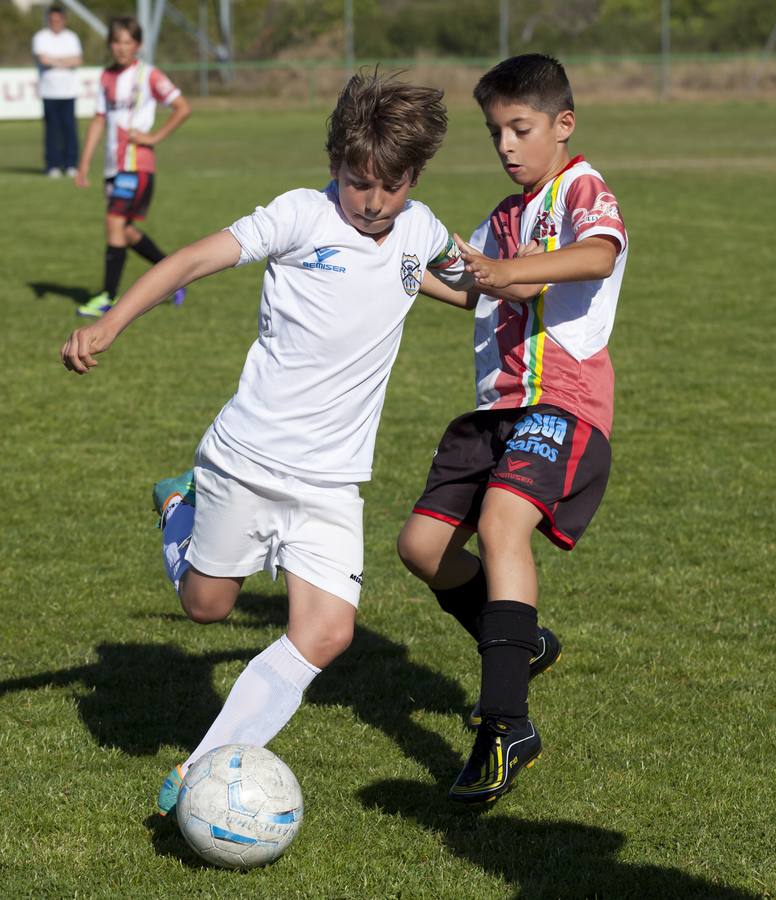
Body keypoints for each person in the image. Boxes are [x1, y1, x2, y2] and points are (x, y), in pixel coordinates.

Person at [61, 72, 473, 816]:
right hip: (246, 461)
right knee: (208, 608)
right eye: (357, 183)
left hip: (331, 483)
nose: (373, 201)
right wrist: (110, 323)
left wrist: (535, 283)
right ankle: (179, 505)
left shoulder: (420, 231)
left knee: (327, 632)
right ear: (335, 167)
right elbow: (188, 260)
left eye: (391, 186)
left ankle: (200, 770)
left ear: (416, 176)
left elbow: (466, 281)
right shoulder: (299, 216)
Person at [396, 53, 629, 804]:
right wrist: (398, 269)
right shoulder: (501, 216)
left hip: (561, 404)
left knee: (502, 527)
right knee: (422, 549)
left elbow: (597, 255)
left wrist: (508, 274)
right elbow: (475, 291)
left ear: (562, 125)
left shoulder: (580, 190)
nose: (505, 144)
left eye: (519, 129)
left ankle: (505, 725)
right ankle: (520, 643)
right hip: (493, 409)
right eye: (495, 131)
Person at [74, 16, 191, 318]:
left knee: (114, 223)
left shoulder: (148, 75)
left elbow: (182, 107)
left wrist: (153, 137)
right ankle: (174, 278)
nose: (121, 48)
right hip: (114, 166)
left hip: (136, 165)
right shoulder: (106, 78)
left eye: (128, 42)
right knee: (124, 231)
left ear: (137, 45)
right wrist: (85, 163)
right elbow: (100, 119)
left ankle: (106, 298)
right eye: (116, 42)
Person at [32, 4, 82, 177]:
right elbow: (43, 59)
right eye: (52, 20)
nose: (55, 23)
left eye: (58, 20)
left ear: (64, 20)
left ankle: (71, 164)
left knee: (70, 129)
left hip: (69, 91)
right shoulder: (41, 37)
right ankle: (52, 165)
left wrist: (54, 61)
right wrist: (63, 61)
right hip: (49, 91)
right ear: (48, 20)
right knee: (52, 130)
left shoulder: (72, 37)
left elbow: (76, 60)